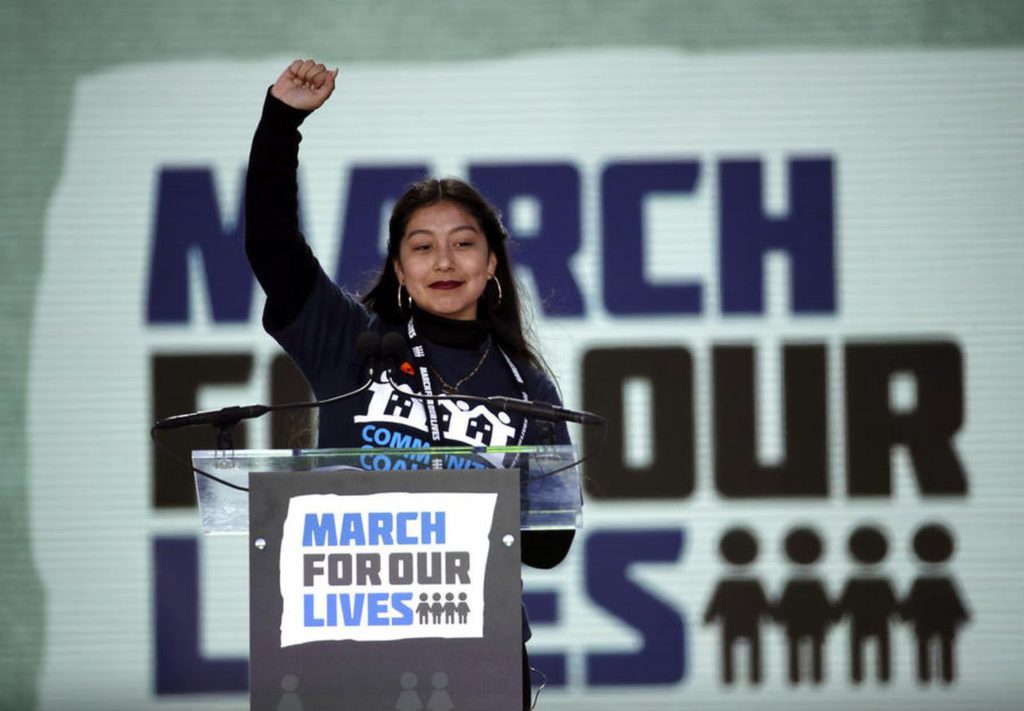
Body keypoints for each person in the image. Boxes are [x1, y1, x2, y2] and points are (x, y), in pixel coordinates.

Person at [245, 58, 574, 710]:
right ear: (399, 268)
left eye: (463, 244)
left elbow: (548, 545)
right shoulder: (353, 342)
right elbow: (271, 245)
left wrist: (471, 496)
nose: (444, 261)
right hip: (345, 647)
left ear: (491, 263)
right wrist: (281, 123)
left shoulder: (527, 386)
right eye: (422, 247)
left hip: (478, 655)